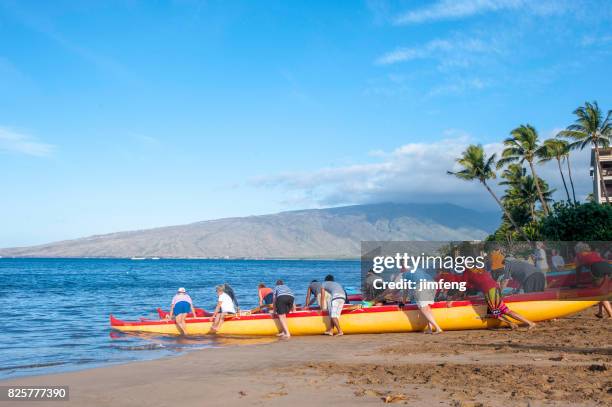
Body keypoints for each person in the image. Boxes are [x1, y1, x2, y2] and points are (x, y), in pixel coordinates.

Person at [443, 268, 536, 329]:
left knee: (503, 310)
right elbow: (477, 283)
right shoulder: (479, 269)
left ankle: (529, 323)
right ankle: (511, 324)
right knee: (494, 311)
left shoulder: (466, 273)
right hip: (493, 289)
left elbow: (462, 289)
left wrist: (452, 300)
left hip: (489, 290)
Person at [574, 242, 612, 318]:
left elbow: (578, 271)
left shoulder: (578, 256)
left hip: (597, 268)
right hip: (608, 266)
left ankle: (611, 314)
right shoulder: (594, 253)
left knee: (600, 294)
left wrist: (577, 282)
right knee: (603, 292)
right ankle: (600, 312)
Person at [403, 266, 443, 334]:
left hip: (421, 286)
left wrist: (403, 302)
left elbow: (405, 290)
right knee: (427, 307)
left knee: (423, 308)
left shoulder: (405, 274)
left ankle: (437, 328)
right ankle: (429, 328)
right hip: (432, 285)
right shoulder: (419, 270)